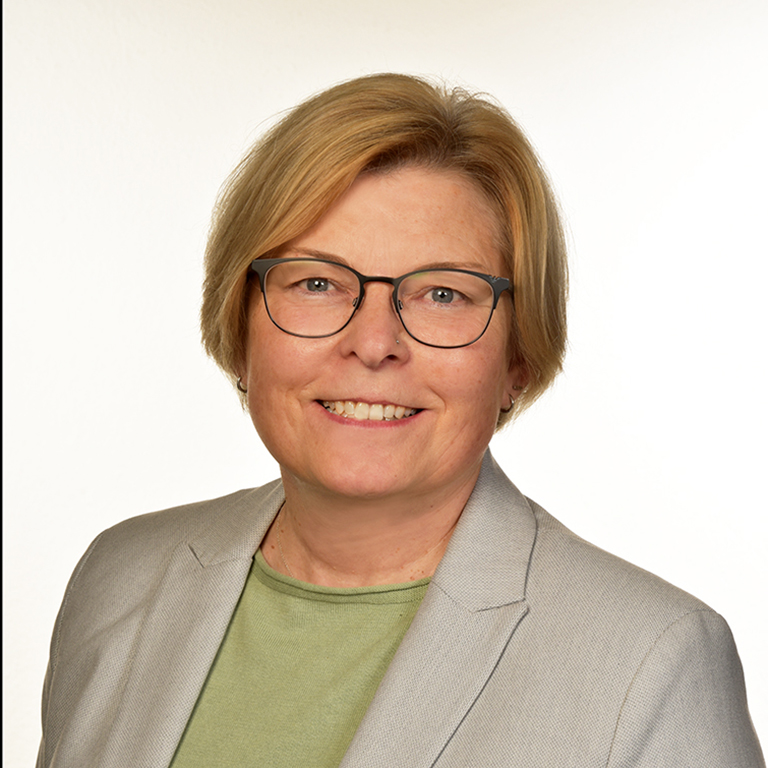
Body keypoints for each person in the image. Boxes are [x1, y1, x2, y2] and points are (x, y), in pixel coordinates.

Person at [37, 73, 763, 768]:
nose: (374, 343)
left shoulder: (648, 661)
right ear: (240, 325)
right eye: (316, 282)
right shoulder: (121, 579)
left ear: (518, 357)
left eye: (443, 294)